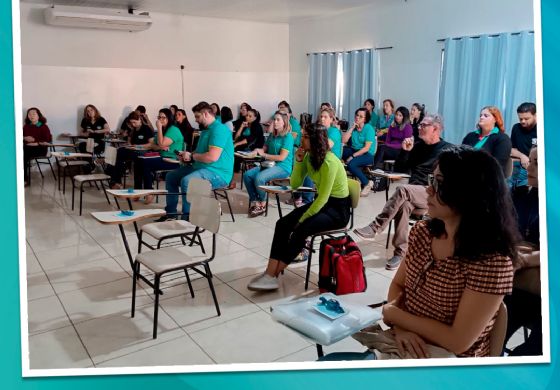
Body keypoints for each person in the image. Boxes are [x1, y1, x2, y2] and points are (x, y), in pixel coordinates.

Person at [323, 147, 518, 360]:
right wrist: (401, 328)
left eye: (438, 183)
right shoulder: (423, 232)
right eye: (431, 180)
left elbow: (458, 341)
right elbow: (399, 285)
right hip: (406, 341)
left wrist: (395, 314)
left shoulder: (492, 261)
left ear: (468, 193)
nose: (428, 190)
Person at [247, 123, 351, 291]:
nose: (301, 139)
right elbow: (295, 184)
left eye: (305, 137)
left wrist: (301, 219)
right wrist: (299, 161)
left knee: (301, 229)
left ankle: (273, 275)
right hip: (322, 204)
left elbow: (323, 199)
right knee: (282, 224)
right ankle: (269, 273)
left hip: (337, 210)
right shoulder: (309, 157)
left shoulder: (330, 162)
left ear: (316, 140)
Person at [353, 114, 452, 270]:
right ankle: (400, 253)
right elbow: (400, 169)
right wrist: (405, 151)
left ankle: (376, 226)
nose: (419, 127)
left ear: (436, 129)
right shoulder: (417, 146)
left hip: (432, 194)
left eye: (424, 125)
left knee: (402, 190)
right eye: (420, 125)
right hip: (415, 194)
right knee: (404, 205)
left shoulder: (447, 150)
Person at [159, 101, 234, 221]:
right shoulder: (206, 130)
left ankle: (187, 219)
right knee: (171, 177)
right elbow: (199, 152)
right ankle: (171, 213)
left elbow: (212, 157)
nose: (196, 120)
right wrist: (187, 155)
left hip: (218, 172)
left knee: (187, 181)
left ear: (205, 114)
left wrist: (192, 157)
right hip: (202, 167)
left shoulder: (220, 129)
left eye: (197, 116)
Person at [504, 146, 542, 356]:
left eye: (537, 163)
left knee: (532, 350)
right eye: (531, 161)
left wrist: (527, 259)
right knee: (491, 335)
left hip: (541, 290)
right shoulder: (519, 195)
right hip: (514, 284)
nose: (529, 166)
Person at [244, 111, 294, 217]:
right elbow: (264, 148)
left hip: (282, 167)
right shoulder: (272, 135)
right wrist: (257, 151)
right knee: (247, 175)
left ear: (284, 122)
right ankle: (256, 202)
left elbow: (281, 157)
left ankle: (263, 203)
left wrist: (264, 155)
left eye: (278, 120)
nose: (275, 122)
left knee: (259, 178)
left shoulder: (288, 137)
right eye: (274, 119)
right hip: (269, 164)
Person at [133, 108, 184, 201]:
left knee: (146, 163)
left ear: (169, 118)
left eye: (163, 117)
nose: (160, 120)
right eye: (159, 117)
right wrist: (160, 145)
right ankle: (138, 190)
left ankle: (149, 191)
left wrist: (159, 129)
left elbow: (160, 144)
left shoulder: (174, 130)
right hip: (161, 156)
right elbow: (154, 145)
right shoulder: (164, 129)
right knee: (138, 160)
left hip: (172, 159)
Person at [106, 111, 153, 188]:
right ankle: (116, 180)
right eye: (132, 123)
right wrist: (129, 145)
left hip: (144, 151)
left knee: (120, 154)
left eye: (134, 122)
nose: (133, 124)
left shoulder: (146, 128)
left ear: (140, 119)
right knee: (118, 153)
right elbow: (130, 142)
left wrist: (137, 147)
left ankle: (115, 180)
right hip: (134, 150)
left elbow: (151, 145)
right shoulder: (134, 130)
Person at [462, 106, 512, 176]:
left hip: (488, 178)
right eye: (480, 115)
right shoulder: (470, 136)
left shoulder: (502, 139)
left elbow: (497, 165)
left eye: (486, 116)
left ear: (495, 119)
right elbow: (460, 156)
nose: (481, 117)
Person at [341, 107, 376, 196]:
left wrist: (352, 156)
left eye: (361, 116)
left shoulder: (369, 128)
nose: (357, 118)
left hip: (367, 154)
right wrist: (352, 128)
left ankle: (367, 182)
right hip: (354, 150)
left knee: (351, 164)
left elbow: (366, 148)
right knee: (340, 151)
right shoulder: (354, 128)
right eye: (357, 115)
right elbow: (343, 141)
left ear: (365, 119)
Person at [508, 102, 537, 189]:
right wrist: (522, 156)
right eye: (520, 119)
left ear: (535, 115)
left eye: (526, 118)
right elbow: (511, 149)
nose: (523, 121)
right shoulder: (516, 128)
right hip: (518, 164)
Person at [23, 107, 52, 185]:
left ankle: (24, 180)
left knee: (23, 153)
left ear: (38, 115)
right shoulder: (26, 126)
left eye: (33, 114)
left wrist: (37, 143)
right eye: (29, 114)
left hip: (40, 149)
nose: (31, 116)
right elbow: (19, 137)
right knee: (20, 152)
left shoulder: (42, 126)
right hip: (27, 148)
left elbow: (48, 140)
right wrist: (24, 137)